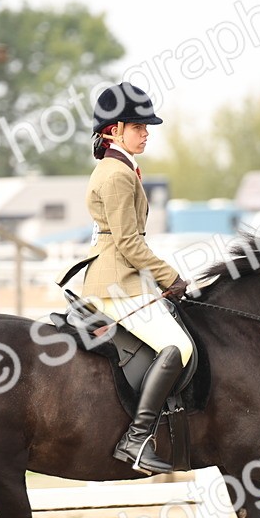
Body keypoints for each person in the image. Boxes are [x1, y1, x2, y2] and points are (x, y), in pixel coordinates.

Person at [59, 82, 193, 475]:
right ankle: (136, 439)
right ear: (114, 130)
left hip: (122, 277)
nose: (146, 132)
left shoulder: (120, 168)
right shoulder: (116, 174)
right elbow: (130, 244)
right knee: (177, 346)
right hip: (115, 283)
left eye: (146, 126)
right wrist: (173, 276)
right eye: (138, 126)